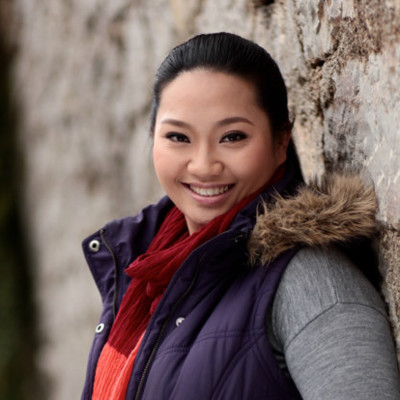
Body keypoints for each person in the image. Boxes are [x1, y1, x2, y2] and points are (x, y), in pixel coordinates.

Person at [81, 32, 400, 400]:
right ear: (153, 137)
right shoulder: (148, 276)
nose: (204, 166)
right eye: (178, 137)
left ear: (281, 142)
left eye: (232, 137)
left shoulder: (312, 284)